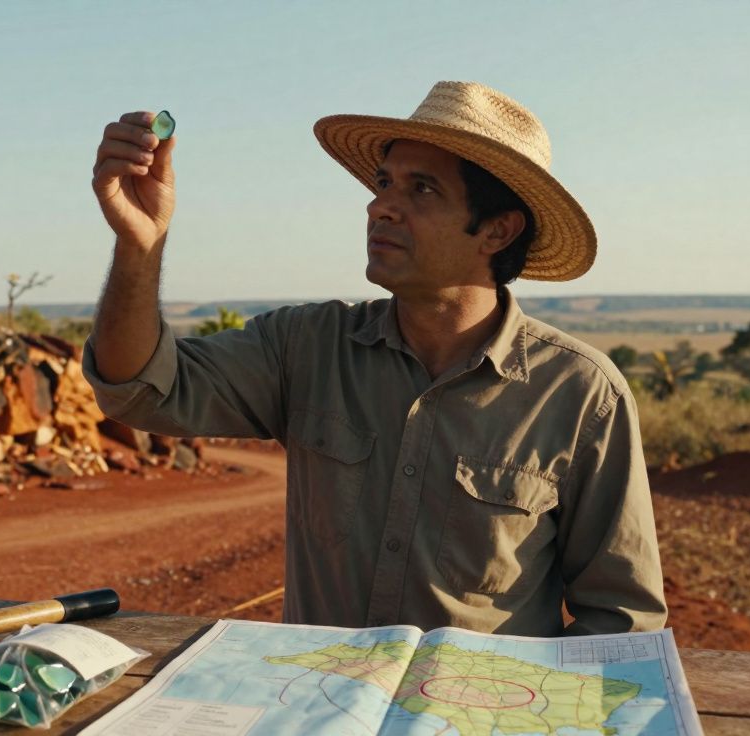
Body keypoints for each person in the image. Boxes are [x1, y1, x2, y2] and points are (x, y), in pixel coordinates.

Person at [83, 81, 666, 637]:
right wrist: (140, 244)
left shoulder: (581, 393)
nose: (380, 207)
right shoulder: (306, 345)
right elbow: (144, 388)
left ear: (496, 229)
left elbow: (620, 618)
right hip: (320, 706)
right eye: (384, 183)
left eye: (422, 189)